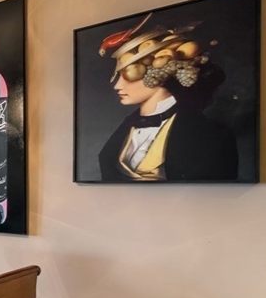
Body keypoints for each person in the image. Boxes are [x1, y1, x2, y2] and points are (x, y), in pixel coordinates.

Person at [98, 25, 236, 181]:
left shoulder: (213, 135)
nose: (117, 86)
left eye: (127, 75)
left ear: (158, 74)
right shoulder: (126, 127)